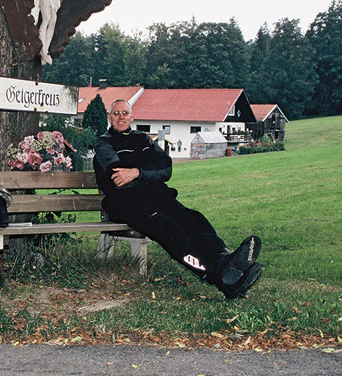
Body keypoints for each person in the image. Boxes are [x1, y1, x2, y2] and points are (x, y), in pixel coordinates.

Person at [93, 99, 263, 299]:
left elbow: (166, 168)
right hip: (127, 203)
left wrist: (138, 172)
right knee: (169, 229)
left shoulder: (143, 139)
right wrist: (149, 171)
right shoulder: (104, 143)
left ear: (132, 116)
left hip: (158, 197)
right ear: (109, 117)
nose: (121, 117)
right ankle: (216, 276)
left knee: (194, 219)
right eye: (116, 113)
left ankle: (224, 259)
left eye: (125, 113)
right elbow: (118, 176)